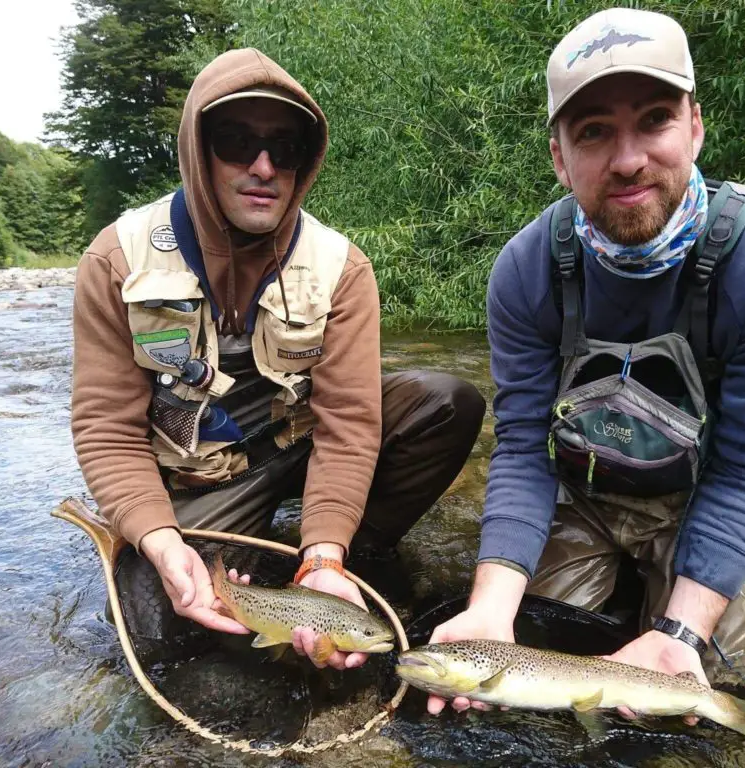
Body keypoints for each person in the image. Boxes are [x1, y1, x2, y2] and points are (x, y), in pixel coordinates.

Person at [428, 7, 745, 717]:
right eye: (593, 132)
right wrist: (490, 609)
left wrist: (678, 633)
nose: (627, 159)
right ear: (558, 156)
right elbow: (524, 449)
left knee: (712, 690)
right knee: (525, 646)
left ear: (695, 126)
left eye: (653, 120)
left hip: (718, 484)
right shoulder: (525, 272)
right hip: (584, 483)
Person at [70, 48, 485, 671]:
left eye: (283, 148)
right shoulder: (119, 260)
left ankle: (340, 565)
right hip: (197, 474)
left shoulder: (341, 267)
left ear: (304, 162)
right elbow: (107, 430)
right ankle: (243, 557)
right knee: (157, 631)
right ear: (197, 150)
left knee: (446, 402)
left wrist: (323, 553)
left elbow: (348, 427)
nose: (263, 166)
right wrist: (156, 538)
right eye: (237, 142)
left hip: (297, 442)